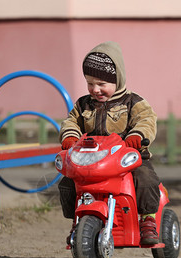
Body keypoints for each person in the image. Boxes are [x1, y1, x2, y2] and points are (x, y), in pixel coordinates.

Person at [58, 41, 161, 245]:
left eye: (101, 84)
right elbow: (72, 120)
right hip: (92, 160)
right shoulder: (83, 104)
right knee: (67, 182)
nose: (95, 89)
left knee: (146, 178)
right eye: (90, 83)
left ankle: (147, 219)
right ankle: (78, 221)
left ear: (118, 80)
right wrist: (70, 136)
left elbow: (147, 119)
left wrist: (137, 136)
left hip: (126, 160)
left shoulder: (133, 102)